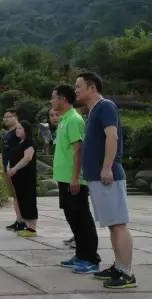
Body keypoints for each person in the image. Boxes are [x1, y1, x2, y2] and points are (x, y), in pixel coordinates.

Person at [75, 73, 136, 289]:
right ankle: (119, 266)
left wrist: (107, 166)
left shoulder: (106, 106)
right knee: (112, 225)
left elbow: (113, 137)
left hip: (108, 175)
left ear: (91, 87)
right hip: (97, 177)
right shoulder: (92, 112)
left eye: (79, 86)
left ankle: (127, 273)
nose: (76, 90)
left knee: (118, 224)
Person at [51, 84, 100, 274]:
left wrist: (75, 178)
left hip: (74, 179)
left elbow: (79, 150)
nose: (51, 101)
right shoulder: (64, 119)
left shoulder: (74, 120)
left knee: (82, 219)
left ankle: (91, 259)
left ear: (63, 98)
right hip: (64, 178)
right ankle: (80, 255)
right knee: (72, 218)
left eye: (54, 97)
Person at [7, 120, 38, 237]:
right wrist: (9, 167)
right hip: (17, 177)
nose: (17, 130)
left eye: (20, 128)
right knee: (21, 199)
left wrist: (14, 168)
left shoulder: (29, 143)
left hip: (27, 176)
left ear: (26, 130)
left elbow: (27, 158)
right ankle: (25, 224)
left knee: (29, 199)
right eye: (17, 128)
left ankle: (32, 228)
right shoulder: (18, 143)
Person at [1, 109, 24, 232]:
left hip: (14, 169)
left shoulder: (17, 132)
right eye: (4, 117)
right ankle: (18, 219)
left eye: (8, 117)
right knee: (14, 196)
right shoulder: (8, 133)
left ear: (15, 117)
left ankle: (22, 221)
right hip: (7, 168)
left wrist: (12, 166)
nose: (5, 119)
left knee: (18, 196)